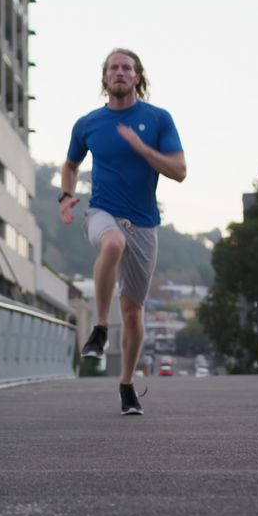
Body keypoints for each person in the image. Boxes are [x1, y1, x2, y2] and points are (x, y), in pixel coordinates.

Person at [58, 48, 186, 416]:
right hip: (102, 212)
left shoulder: (158, 119)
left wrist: (143, 149)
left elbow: (179, 171)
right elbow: (69, 165)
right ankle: (99, 327)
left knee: (133, 311)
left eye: (126, 68)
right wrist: (67, 195)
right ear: (104, 78)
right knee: (112, 243)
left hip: (145, 222)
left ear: (137, 78)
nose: (119, 72)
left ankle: (127, 384)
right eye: (113, 67)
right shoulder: (88, 124)